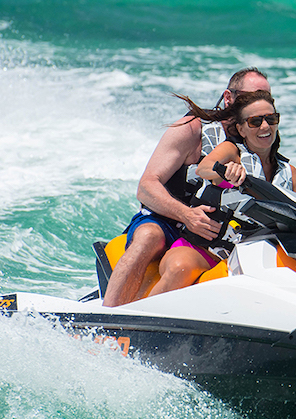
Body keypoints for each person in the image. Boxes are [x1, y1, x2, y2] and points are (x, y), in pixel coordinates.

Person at [102, 68, 271, 307]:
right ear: (228, 97)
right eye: (251, 96)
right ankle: (107, 321)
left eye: (265, 97)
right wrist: (187, 215)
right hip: (168, 221)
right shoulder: (192, 128)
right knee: (149, 237)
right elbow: (147, 186)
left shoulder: (257, 137)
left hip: (218, 235)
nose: (258, 104)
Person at [147, 90, 296, 297]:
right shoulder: (233, 151)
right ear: (241, 129)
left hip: (258, 255)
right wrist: (227, 170)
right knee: (179, 269)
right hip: (205, 249)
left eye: (271, 119)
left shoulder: (290, 174)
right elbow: (205, 168)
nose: (265, 126)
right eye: (255, 121)